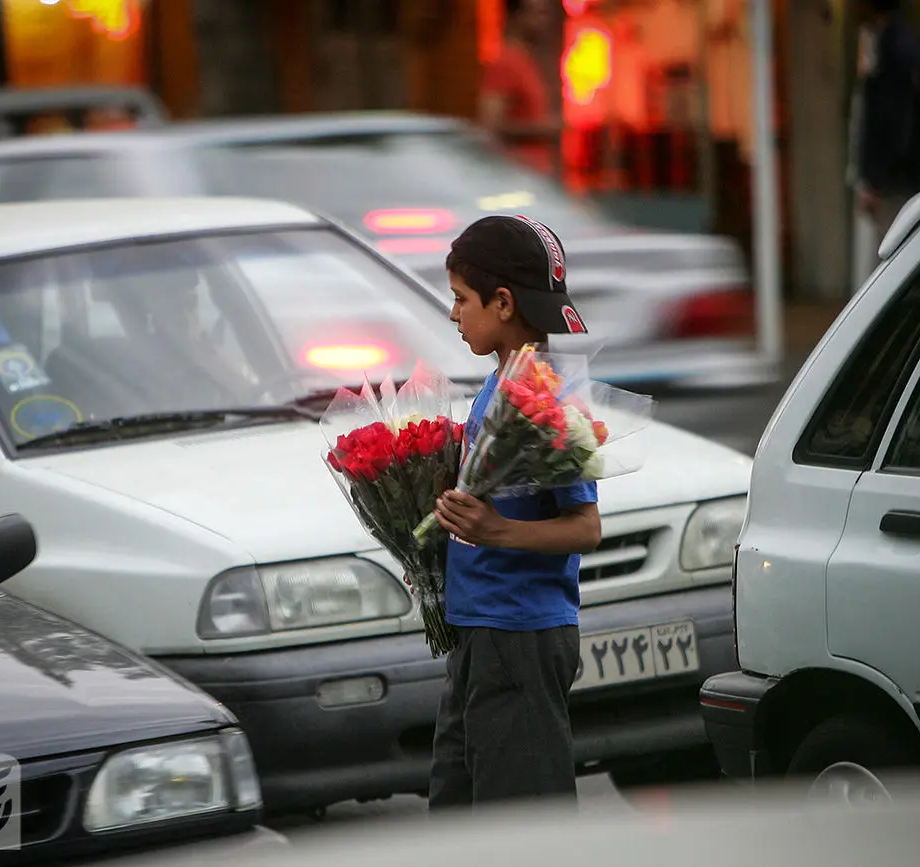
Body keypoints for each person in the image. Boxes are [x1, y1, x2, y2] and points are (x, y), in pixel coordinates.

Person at [425, 214, 600, 810]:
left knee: (522, 828)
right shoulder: (500, 382)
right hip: (480, 628)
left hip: (519, 635)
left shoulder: (547, 393)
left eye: (460, 298)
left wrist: (496, 530)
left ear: (502, 302)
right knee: (459, 808)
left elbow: (585, 528)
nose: (453, 314)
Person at [851, 0, 920, 263]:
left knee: (896, 257)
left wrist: (875, 179)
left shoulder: (893, 51)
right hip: (904, 176)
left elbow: (892, 120)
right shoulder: (899, 45)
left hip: (896, 181)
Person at [479, 0, 561, 175]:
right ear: (516, 17)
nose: (544, 21)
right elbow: (491, 125)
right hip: (519, 174)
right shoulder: (505, 63)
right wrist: (542, 129)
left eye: (545, 14)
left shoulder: (529, 61)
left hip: (539, 175)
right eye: (536, 14)